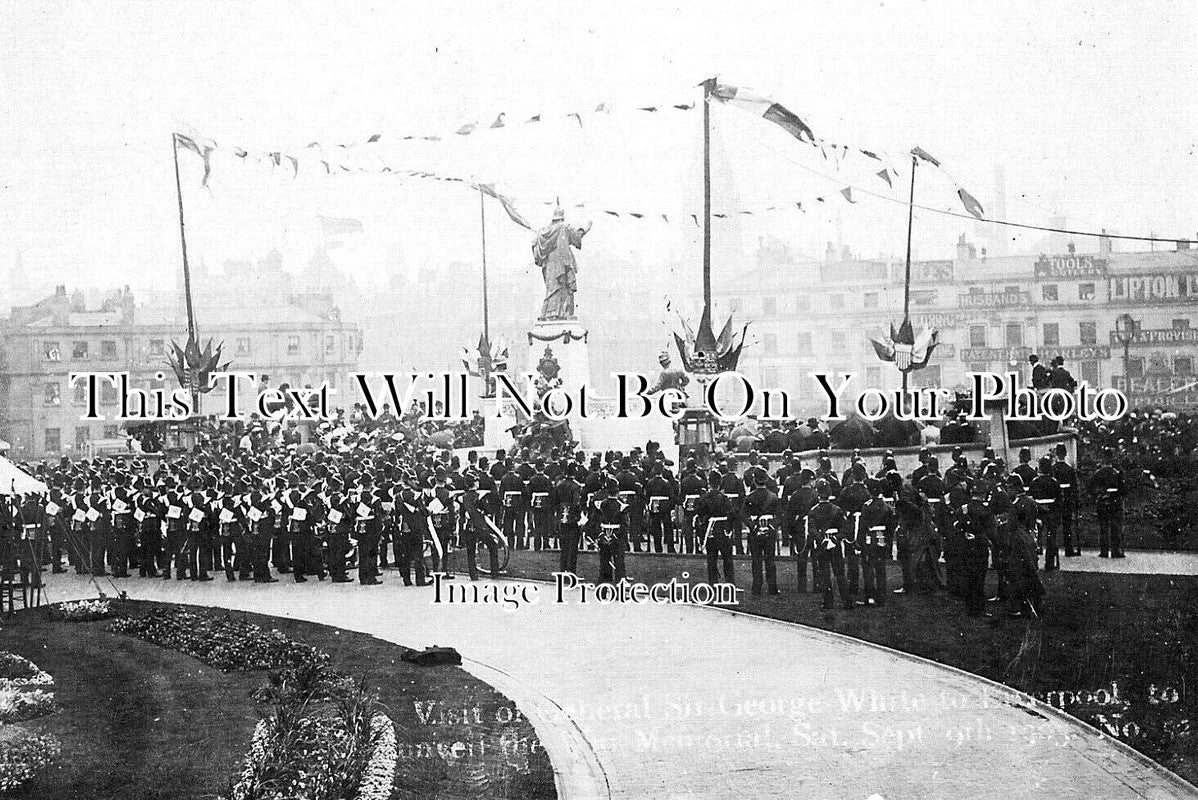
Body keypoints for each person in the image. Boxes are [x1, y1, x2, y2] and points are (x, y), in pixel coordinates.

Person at [809, 481, 854, 611]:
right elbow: (844, 529)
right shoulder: (837, 510)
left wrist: (822, 540)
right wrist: (835, 539)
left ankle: (828, 602)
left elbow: (812, 530)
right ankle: (847, 601)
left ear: (818, 494)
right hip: (835, 543)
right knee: (839, 572)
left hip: (822, 544)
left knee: (824, 573)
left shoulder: (814, 511)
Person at [858, 478, 895, 606]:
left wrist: (859, 541)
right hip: (882, 537)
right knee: (880, 568)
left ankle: (870, 597)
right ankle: (881, 596)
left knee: (868, 568)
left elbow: (863, 526)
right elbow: (891, 526)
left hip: (870, 537)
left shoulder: (867, 505)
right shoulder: (886, 507)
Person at [743, 472, 781, 596]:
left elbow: (743, 515)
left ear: (754, 481)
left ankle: (757, 587)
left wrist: (753, 526)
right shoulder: (773, 496)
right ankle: (772, 588)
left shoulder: (750, 497)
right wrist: (771, 526)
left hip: (755, 530)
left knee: (756, 560)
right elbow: (780, 515)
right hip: (769, 530)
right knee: (770, 559)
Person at [695, 472, 735, 586]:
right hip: (722, 531)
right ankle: (730, 582)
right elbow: (731, 514)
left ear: (709, 482)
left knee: (711, 558)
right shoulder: (724, 498)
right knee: (727, 558)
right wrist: (728, 529)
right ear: (720, 483)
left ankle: (713, 582)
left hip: (710, 531)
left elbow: (700, 515)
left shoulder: (704, 499)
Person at [1089, 450, 1126, 558]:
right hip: (1115, 502)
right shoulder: (1117, 473)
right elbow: (1123, 490)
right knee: (1115, 527)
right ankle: (1116, 551)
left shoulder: (1098, 473)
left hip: (1102, 502)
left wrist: (1098, 495)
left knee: (1103, 527)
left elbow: (1090, 487)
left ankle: (1104, 551)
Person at [591, 478, 628, 584]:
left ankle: (603, 589)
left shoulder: (601, 505)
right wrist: (614, 536)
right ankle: (619, 590)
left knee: (604, 563)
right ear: (618, 492)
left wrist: (601, 535)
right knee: (619, 564)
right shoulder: (621, 506)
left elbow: (594, 523)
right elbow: (625, 525)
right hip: (617, 538)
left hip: (603, 536)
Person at [1028, 457, 1063, 571]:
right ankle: (1049, 563)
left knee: (1036, 537)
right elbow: (1059, 501)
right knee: (1051, 539)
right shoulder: (1054, 482)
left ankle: (1035, 561)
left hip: (1038, 513)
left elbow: (1031, 499)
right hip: (1051, 513)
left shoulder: (1034, 482)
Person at [554, 464, 584, 574]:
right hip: (572, 517)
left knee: (564, 546)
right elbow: (577, 503)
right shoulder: (576, 486)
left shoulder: (560, 484)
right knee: (573, 546)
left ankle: (563, 569)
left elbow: (555, 501)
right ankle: (571, 571)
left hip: (562, 515)